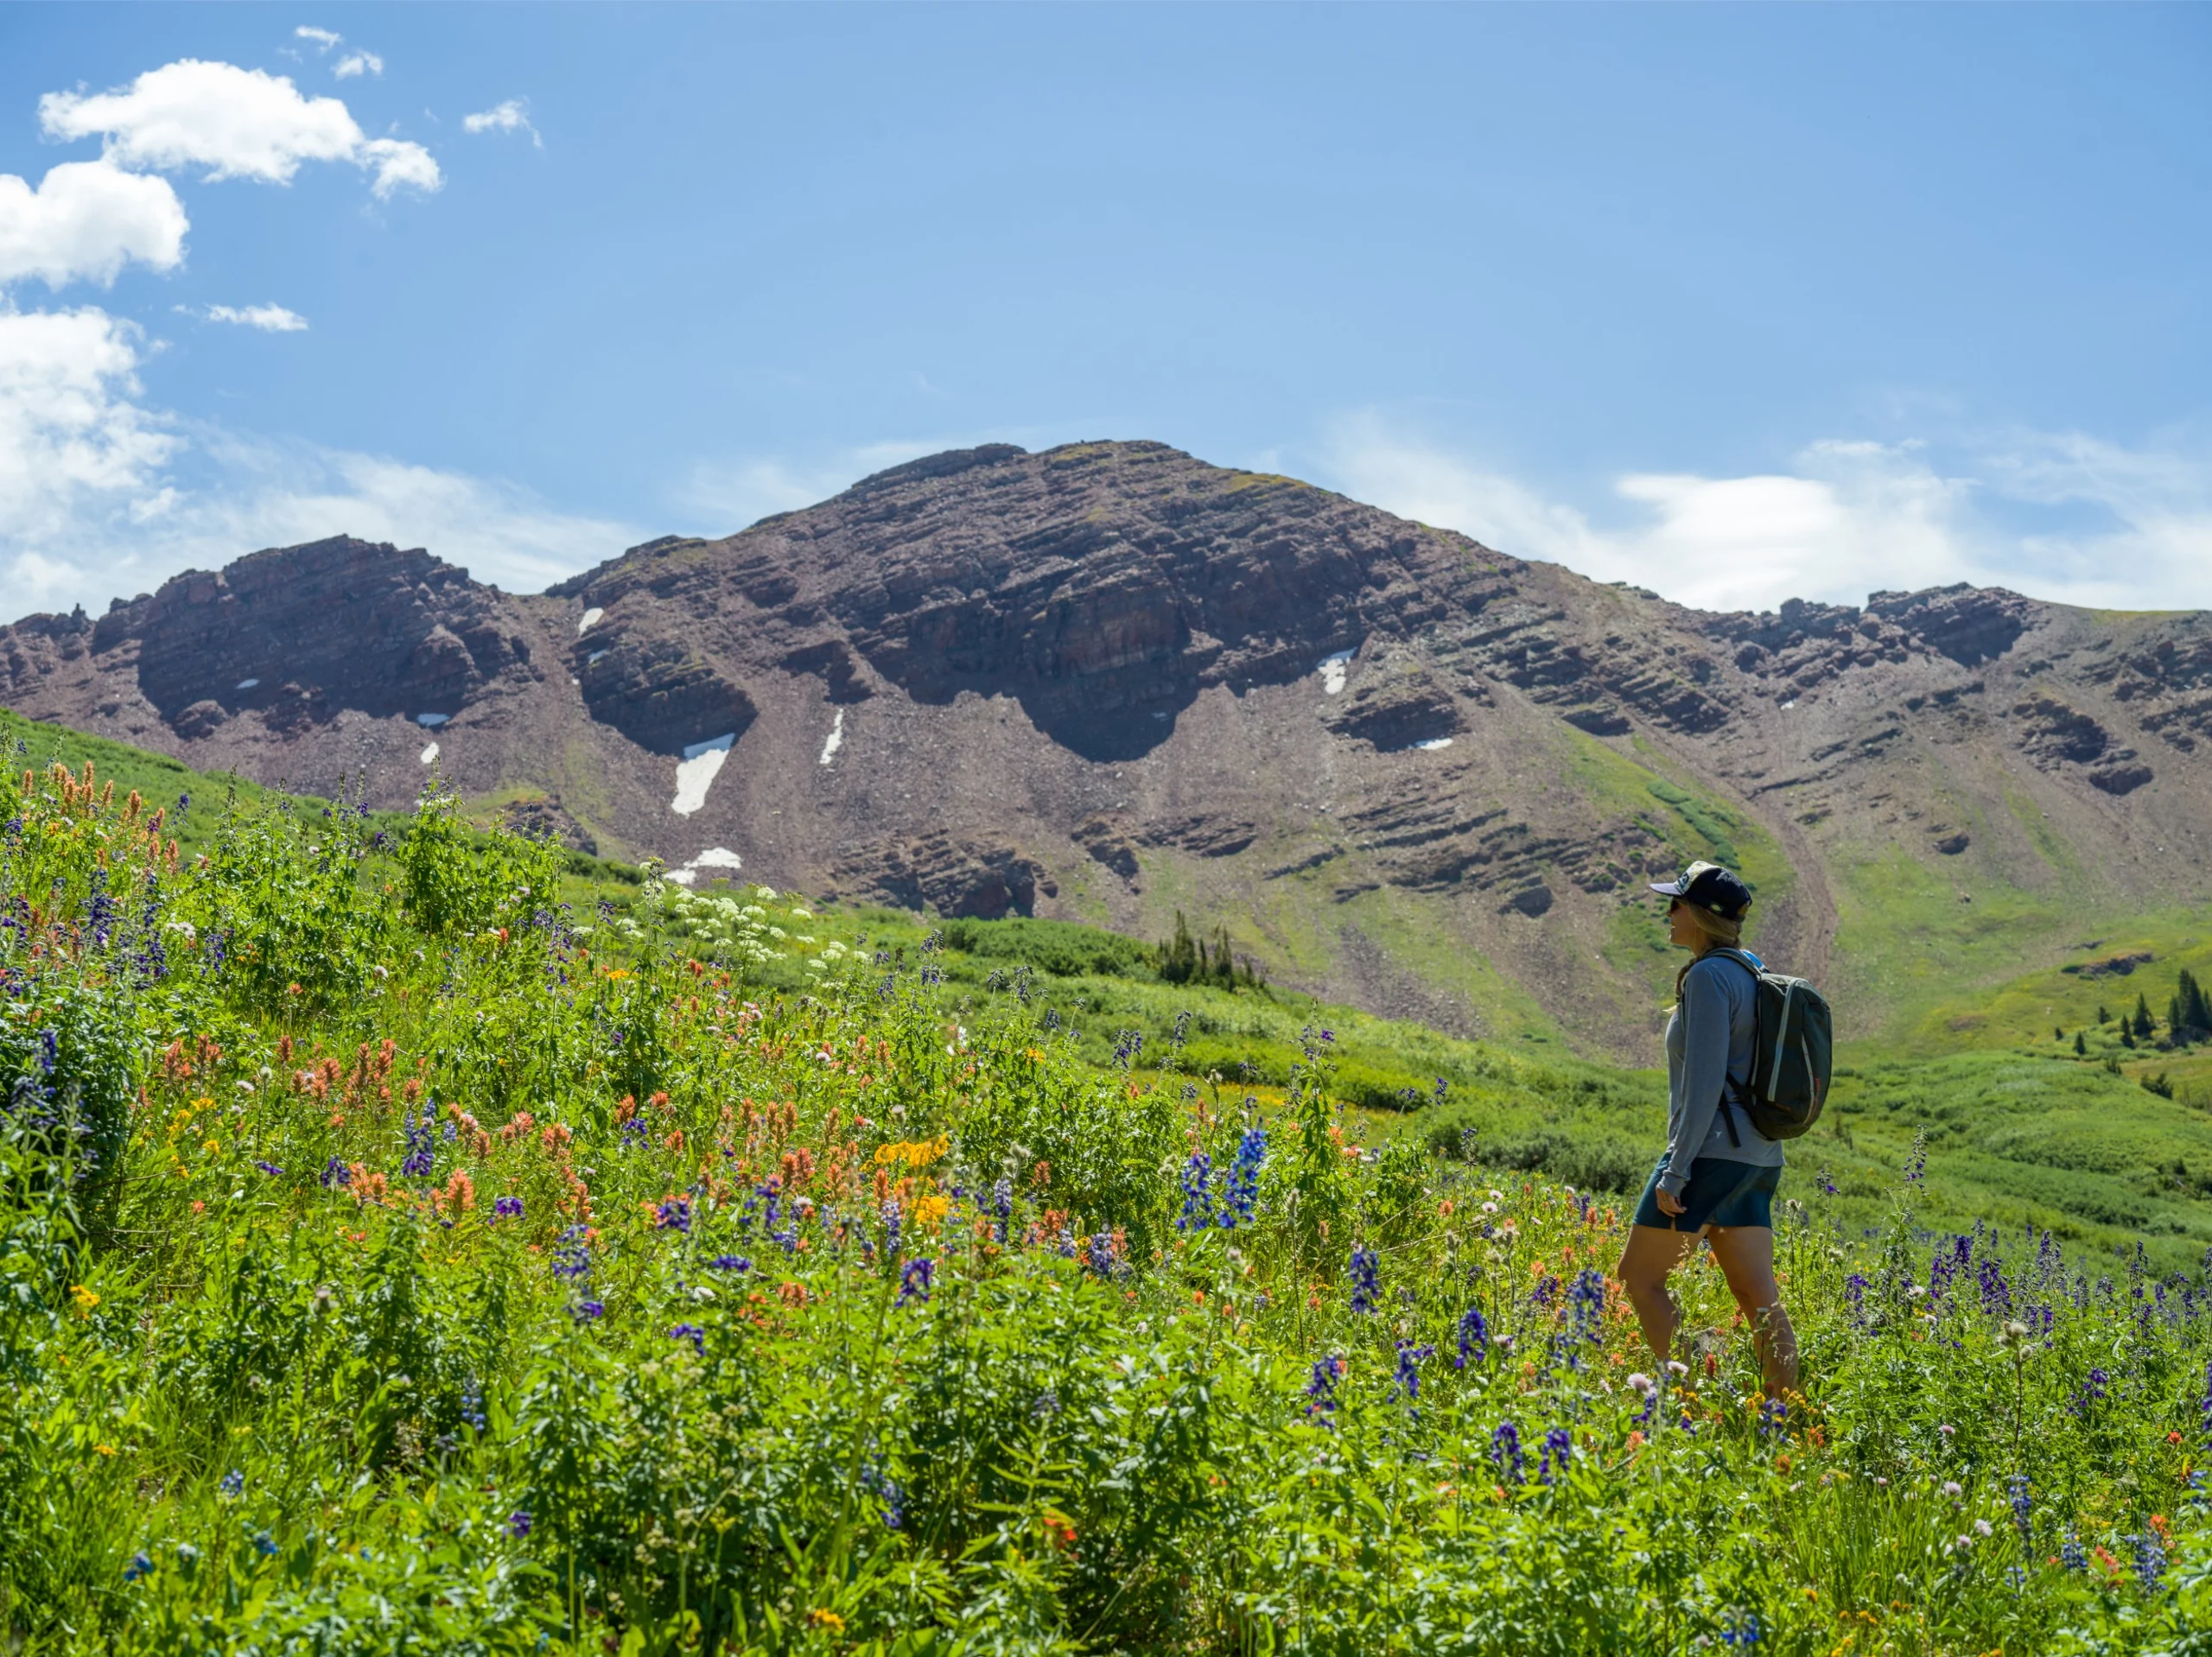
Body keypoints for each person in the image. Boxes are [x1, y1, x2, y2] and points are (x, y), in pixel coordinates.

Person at [1612, 860, 1800, 1398]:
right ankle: (1780, 1418)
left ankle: (1701, 1399)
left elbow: (1704, 1083)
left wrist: (1676, 1169)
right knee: (1759, 1300)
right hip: (1758, 1158)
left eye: (1674, 902)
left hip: (1710, 1155)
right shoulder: (1749, 967)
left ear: (1697, 914)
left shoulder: (1709, 977)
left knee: (1640, 1279)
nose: (1666, 911)